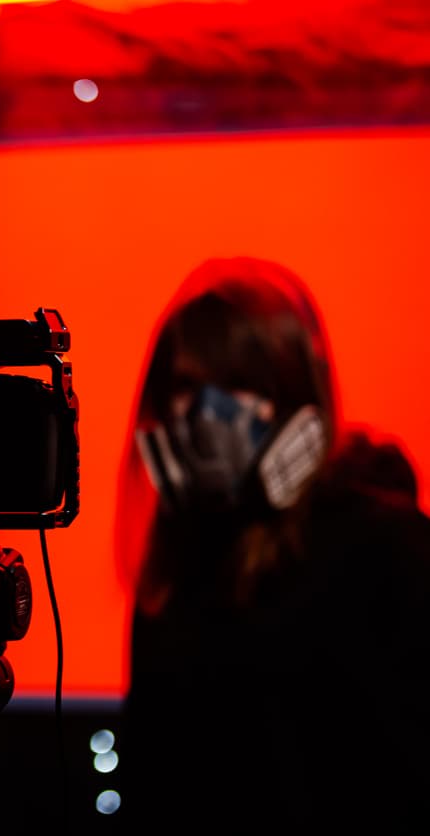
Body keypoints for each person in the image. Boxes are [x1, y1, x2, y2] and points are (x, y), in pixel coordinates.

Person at [114, 256, 430, 833]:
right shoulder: (178, 576)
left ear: (295, 397)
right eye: (185, 386)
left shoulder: (386, 548)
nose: (205, 417)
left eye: (237, 385)